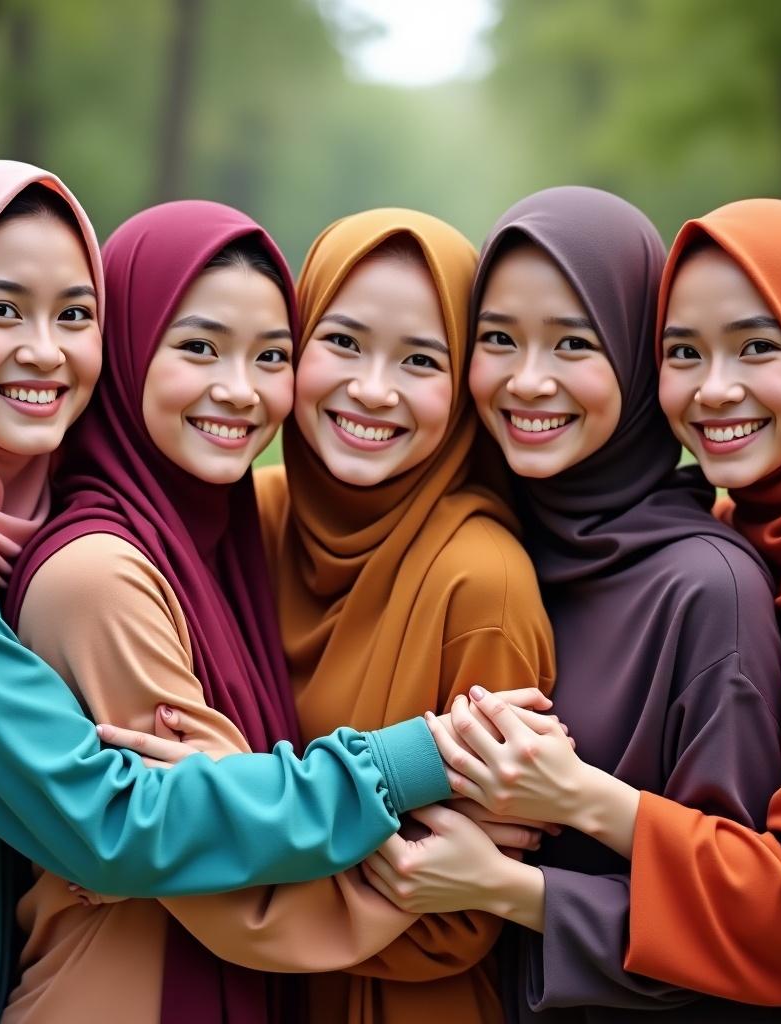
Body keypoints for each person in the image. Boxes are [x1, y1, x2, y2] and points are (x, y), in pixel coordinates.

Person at [0, 163, 450, 1024]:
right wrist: (412, 765)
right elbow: (111, 819)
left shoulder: (6, 510)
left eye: (75, 314)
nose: (44, 348)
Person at [364, 188, 781, 1021]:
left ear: (637, 357)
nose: (529, 380)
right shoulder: (487, 538)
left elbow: (749, 923)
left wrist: (518, 892)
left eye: (574, 342)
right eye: (499, 339)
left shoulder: (707, 591)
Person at [256, 209, 556, 1024]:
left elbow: (459, 912)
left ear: (462, 387)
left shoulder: (479, 583)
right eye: (343, 342)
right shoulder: (251, 520)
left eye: (420, 359)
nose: (373, 389)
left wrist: (183, 867)